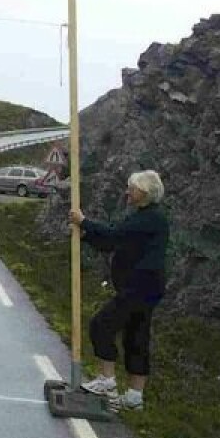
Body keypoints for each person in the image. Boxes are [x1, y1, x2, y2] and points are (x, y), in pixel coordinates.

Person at [70, 170, 169, 412]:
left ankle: (107, 381)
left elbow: (115, 234)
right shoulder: (144, 218)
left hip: (139, 286)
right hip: (145, 287)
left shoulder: (151, 218)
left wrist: (83, 221)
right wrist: (85, 235)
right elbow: (112, 242)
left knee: (101, 325)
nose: (127, 192)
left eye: (131, 189)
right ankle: (134, 397)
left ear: (144, 193)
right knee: (136, 337)